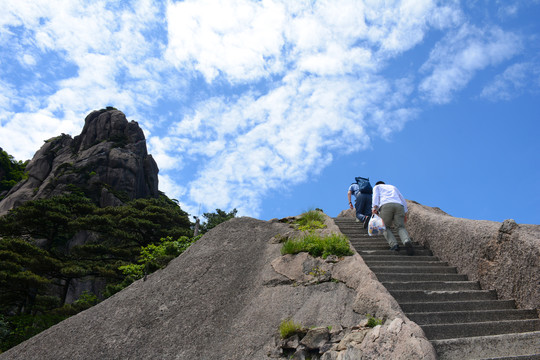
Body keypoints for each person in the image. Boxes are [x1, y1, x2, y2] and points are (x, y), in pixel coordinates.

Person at [371, 181, 414, 255]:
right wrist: (405, 213)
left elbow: (375, 196)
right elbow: (402, 198)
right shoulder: (393, 187)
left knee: (384, 227)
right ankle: (406, 241)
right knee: (400, 227)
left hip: (386, 205)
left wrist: (374, 207)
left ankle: (394, 245)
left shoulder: (377, 187)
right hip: (399, 206)